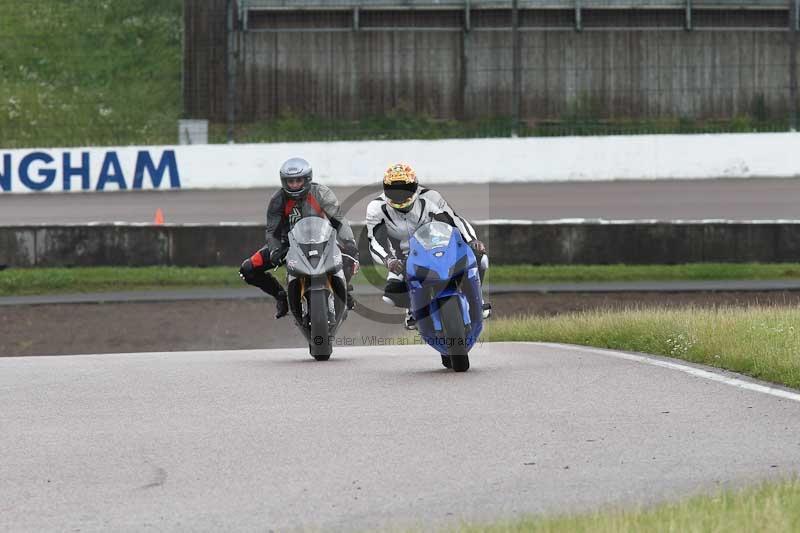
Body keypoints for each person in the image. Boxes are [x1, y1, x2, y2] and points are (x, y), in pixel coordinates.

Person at [365, 162, 491, 330]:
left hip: (439, 246)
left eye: (405, 188)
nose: (400, 194)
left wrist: (471, 240)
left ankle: (477, 301)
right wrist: (388, 260)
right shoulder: (376, 208)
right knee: (391, 295)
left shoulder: (431, 197)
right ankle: (413, 309)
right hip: (403, 256)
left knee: (481, 259)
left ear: (415, 185)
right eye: (394, 189)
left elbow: (455, 220)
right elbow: (374, 240)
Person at [240, 157, 359, 318]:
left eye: (298, 180)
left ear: (307, 179)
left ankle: (342, 291)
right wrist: (275, 250)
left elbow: (339, 220)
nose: (295, 184)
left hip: (322, 241)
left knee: (350, 256)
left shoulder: (321, 193)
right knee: (248, 269)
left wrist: (349, 241)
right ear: (284, 181)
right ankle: (281, 296)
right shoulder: (277, 200)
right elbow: (272, 231)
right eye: (290, 181)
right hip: (287, 244)